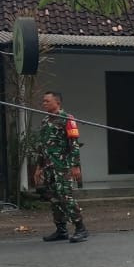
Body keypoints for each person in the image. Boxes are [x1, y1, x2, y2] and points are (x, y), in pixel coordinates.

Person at [33, 90, 88, 243]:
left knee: (66, 196)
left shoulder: (67, 119)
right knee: (54, 199)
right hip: (49, 167)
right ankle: (61, 229)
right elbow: (42, 146)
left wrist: (76, 166)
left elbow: (74, 144)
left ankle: (80, 228)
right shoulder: (45, 121)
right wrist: (39, 167)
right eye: (43, 101)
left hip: (63, 166)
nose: (44, 104)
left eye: (47, 101)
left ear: (57, 102)